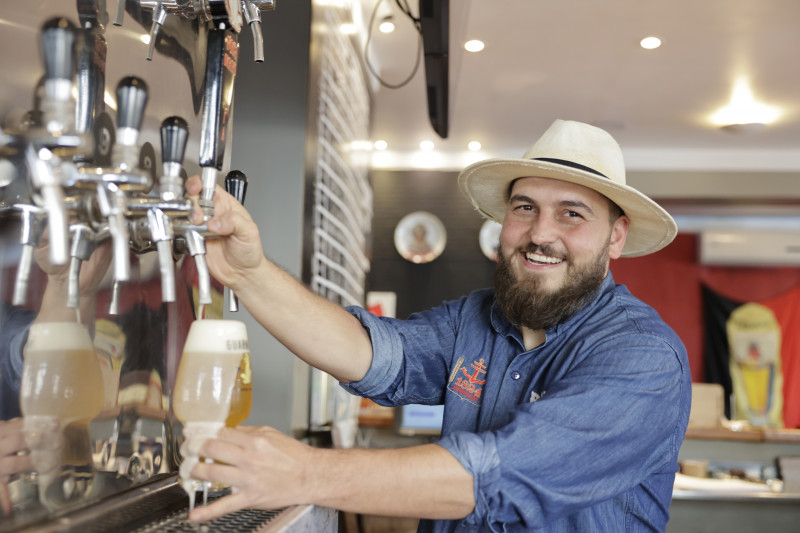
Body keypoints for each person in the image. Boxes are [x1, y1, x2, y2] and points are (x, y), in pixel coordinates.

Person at [183, 119, 692, 532]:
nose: (540, 234)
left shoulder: (643, 357)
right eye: (525, 208)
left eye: (572, 214)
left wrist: (304, 473)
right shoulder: (477, 317)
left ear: (616, 237)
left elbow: (497, 475)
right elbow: (375, 353)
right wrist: (248, 273)